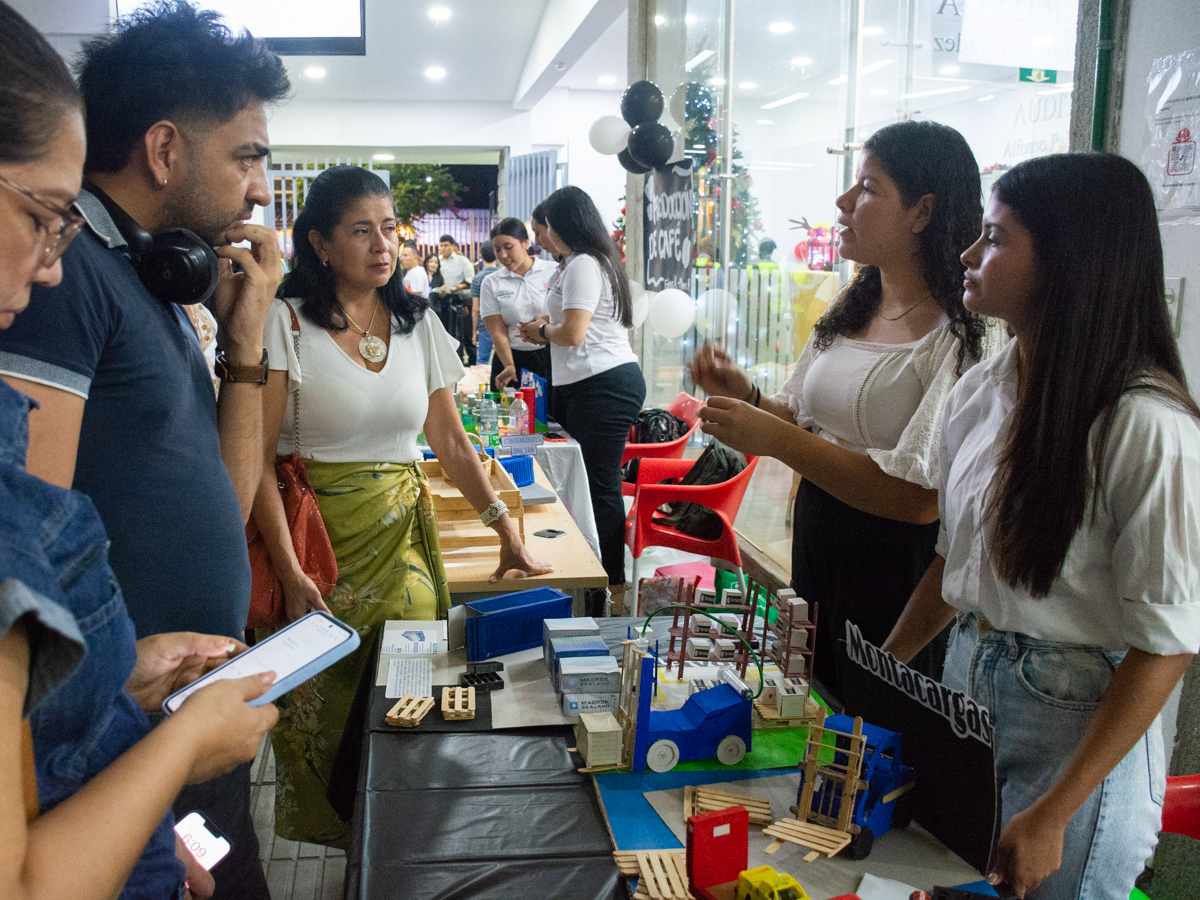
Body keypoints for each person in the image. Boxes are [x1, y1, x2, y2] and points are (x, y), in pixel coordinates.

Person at [0, 4, 290, 895]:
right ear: (165, 150)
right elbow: (25, 562)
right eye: (246, 155)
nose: (257, 190)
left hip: (147, 706)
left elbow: (223, 501)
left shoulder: (152, 283)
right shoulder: (69, 281)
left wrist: (244, 349)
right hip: (98, 749)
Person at [883, 153, 1200, 899]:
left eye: (993, 238)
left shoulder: (1145, 425)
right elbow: (953, 567)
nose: (968, 254)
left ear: (1070, 262)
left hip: (1076, 720)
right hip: (968, 684)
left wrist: (1057, 811)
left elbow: (1165, 646)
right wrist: (884, 679)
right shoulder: (985, 388)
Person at [255, 166, 550, 847]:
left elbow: (448, 439)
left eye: (389, 229)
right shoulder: (285, 322)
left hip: (403, 541)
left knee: (410, 684)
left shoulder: (418, 324)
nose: (382, 245)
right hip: (317, 546)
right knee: (324, 704)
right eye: (360, 231)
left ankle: (402, 834)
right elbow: (259, 461)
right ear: (320, 245)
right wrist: (285, 564)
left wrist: (504, 529)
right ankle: (348, 841)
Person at [691, 121, 993, 701]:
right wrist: (751, 398)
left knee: (874, 724)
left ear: (923, 212)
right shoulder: (854, 303)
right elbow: (801, 418)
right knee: (816, 699)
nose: (844, 201)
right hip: (818, 540)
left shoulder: (965, 331)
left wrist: (775, 440)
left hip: (894, 570)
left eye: (869, 187)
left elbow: (919, 499)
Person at [518, 186, 645, 614]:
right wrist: (545, 325)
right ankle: (589, 569)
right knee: (588, 482)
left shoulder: (586, 264)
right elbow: (571, 326)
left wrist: (540, 332)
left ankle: (612, 582)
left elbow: (573, 333)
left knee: (600, 483)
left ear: (566, 223)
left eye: (548, 226)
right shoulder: (576, 264)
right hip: (586, 383)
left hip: (604, 383)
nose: (545, 235)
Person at [481, 217, 557, 394]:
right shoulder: (491, 283)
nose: (503, 255)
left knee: (550, 415)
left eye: (508, 247)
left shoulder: (553, 271)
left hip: (551, 356)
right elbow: (497, 331)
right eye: (497, 249)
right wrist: (509, 365)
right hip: (510, 358)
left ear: (525, 243)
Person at [434, 233, 475, 362]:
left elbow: (470, 281)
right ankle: (450, 361)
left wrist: (456, 287)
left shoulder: (462, 261)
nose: (443, 248)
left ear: (452, 246)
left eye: (446, 245)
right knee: (447, 334)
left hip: (461, 302)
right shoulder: (437, 261)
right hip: (443, 303)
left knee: (465, 334)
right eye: (441, 246)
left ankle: (473, 362)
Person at [470, 239, 499, 365]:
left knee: (482, 360)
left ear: (481, 256)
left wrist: (473, 332)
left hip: (485, 323)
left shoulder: (477, 278)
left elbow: (475, 309)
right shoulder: (503, 275)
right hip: (503, 323)